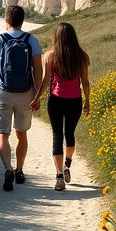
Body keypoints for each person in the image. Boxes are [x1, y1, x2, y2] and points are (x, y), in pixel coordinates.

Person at [0, 5, 43, 191]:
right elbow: (37, 69)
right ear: (22, 21)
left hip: (3, 93)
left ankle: (8, 168)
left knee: (3, 134)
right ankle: (20, 170)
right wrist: (37, 93)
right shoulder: (32, 40)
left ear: (6, 21)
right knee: (21, 133)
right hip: (26, 93)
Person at [33, 22, 91, 191]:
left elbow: (45, 82)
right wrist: (88, 101)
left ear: (56, 38)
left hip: (56, 101)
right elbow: (85, 82)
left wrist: (37, 98)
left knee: (57, 136)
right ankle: (67, 164)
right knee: (70, 134)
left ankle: (59, 176)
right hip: (75, 101)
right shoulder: (82, 57)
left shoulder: (50, 56)